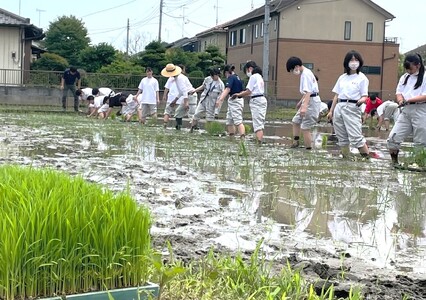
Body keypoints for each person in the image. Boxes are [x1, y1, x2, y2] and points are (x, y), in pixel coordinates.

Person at [327, 50, 370, 158]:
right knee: (341, 137)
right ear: (347, 62)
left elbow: (365, 95)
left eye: (356, 60)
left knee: (356, 137)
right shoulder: (342, 77)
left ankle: (366, 159)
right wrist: (331, 111)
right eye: (351, 60)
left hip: (352, 107)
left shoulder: (362, 78)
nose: (354, 62)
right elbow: (336, 95)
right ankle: (346, 158)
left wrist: (361, 100)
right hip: (339, 106)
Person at [387, 54, 426, 166]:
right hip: (406, 110)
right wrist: (400, 101)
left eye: (411, 68)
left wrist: (409, 100)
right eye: (407, 69)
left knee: (421, 140)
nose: (409, 71)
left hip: (421, 109)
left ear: (418, 65)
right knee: (393, 137)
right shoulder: (404, 77)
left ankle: (420, 164)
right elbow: (398, 92)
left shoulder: (424, 77)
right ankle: (395, 163)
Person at [286, 56, 321, 150]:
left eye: (292, 69)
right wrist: (301, 102)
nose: (293, 72)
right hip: (308, 99)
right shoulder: (305, 73)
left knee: (305, 127)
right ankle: (296, 142)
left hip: (312, 102)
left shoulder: (306, 74)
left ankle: (308, 149)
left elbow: (309, 92)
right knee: (296, 121)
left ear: (297, 66)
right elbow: (307, 92)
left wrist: (304, 107)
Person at [231, 61, 267, 143]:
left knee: (257, 124)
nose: (247, 72)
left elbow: (248, 91)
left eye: (247, 70)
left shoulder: (253, 77)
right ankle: (259, 141)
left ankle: (259, 142)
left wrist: (238, 95)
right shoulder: (260, 77)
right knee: (260, 123)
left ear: (250, 69)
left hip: (256, 101)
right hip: (261, 99)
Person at [189, 68, 224, 132]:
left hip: (212, 101)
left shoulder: (221, 84)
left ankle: (208, 130)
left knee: (209, 117)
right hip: (204, 99)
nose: (213, 77)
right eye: (211, 76)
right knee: (196, 113)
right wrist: (195, 90)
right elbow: (203, 86)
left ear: (217, 75)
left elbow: (221, 95)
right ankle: (192, 128)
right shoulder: (208, 79)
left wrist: (218, 102)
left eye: (214, 76)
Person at [160, 63, 194, 130]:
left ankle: (193, 128)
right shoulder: (177, 78)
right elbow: (181, 92)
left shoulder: (180, 78)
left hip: (191, 95)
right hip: (187, 96)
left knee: (191, 114)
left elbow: (184, 90)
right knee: (178, 113)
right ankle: (178, 128)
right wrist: (175, 100)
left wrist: (186, 102)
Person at [216, 64, 245, 138]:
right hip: (235, 100)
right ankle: (232, 136)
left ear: (226, 72)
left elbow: (227, 89)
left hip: (235, 101)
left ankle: (242, 137)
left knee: (238, 121)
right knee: (229, 121)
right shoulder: (238, 77)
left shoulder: (231, 78)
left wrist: (220, 100)